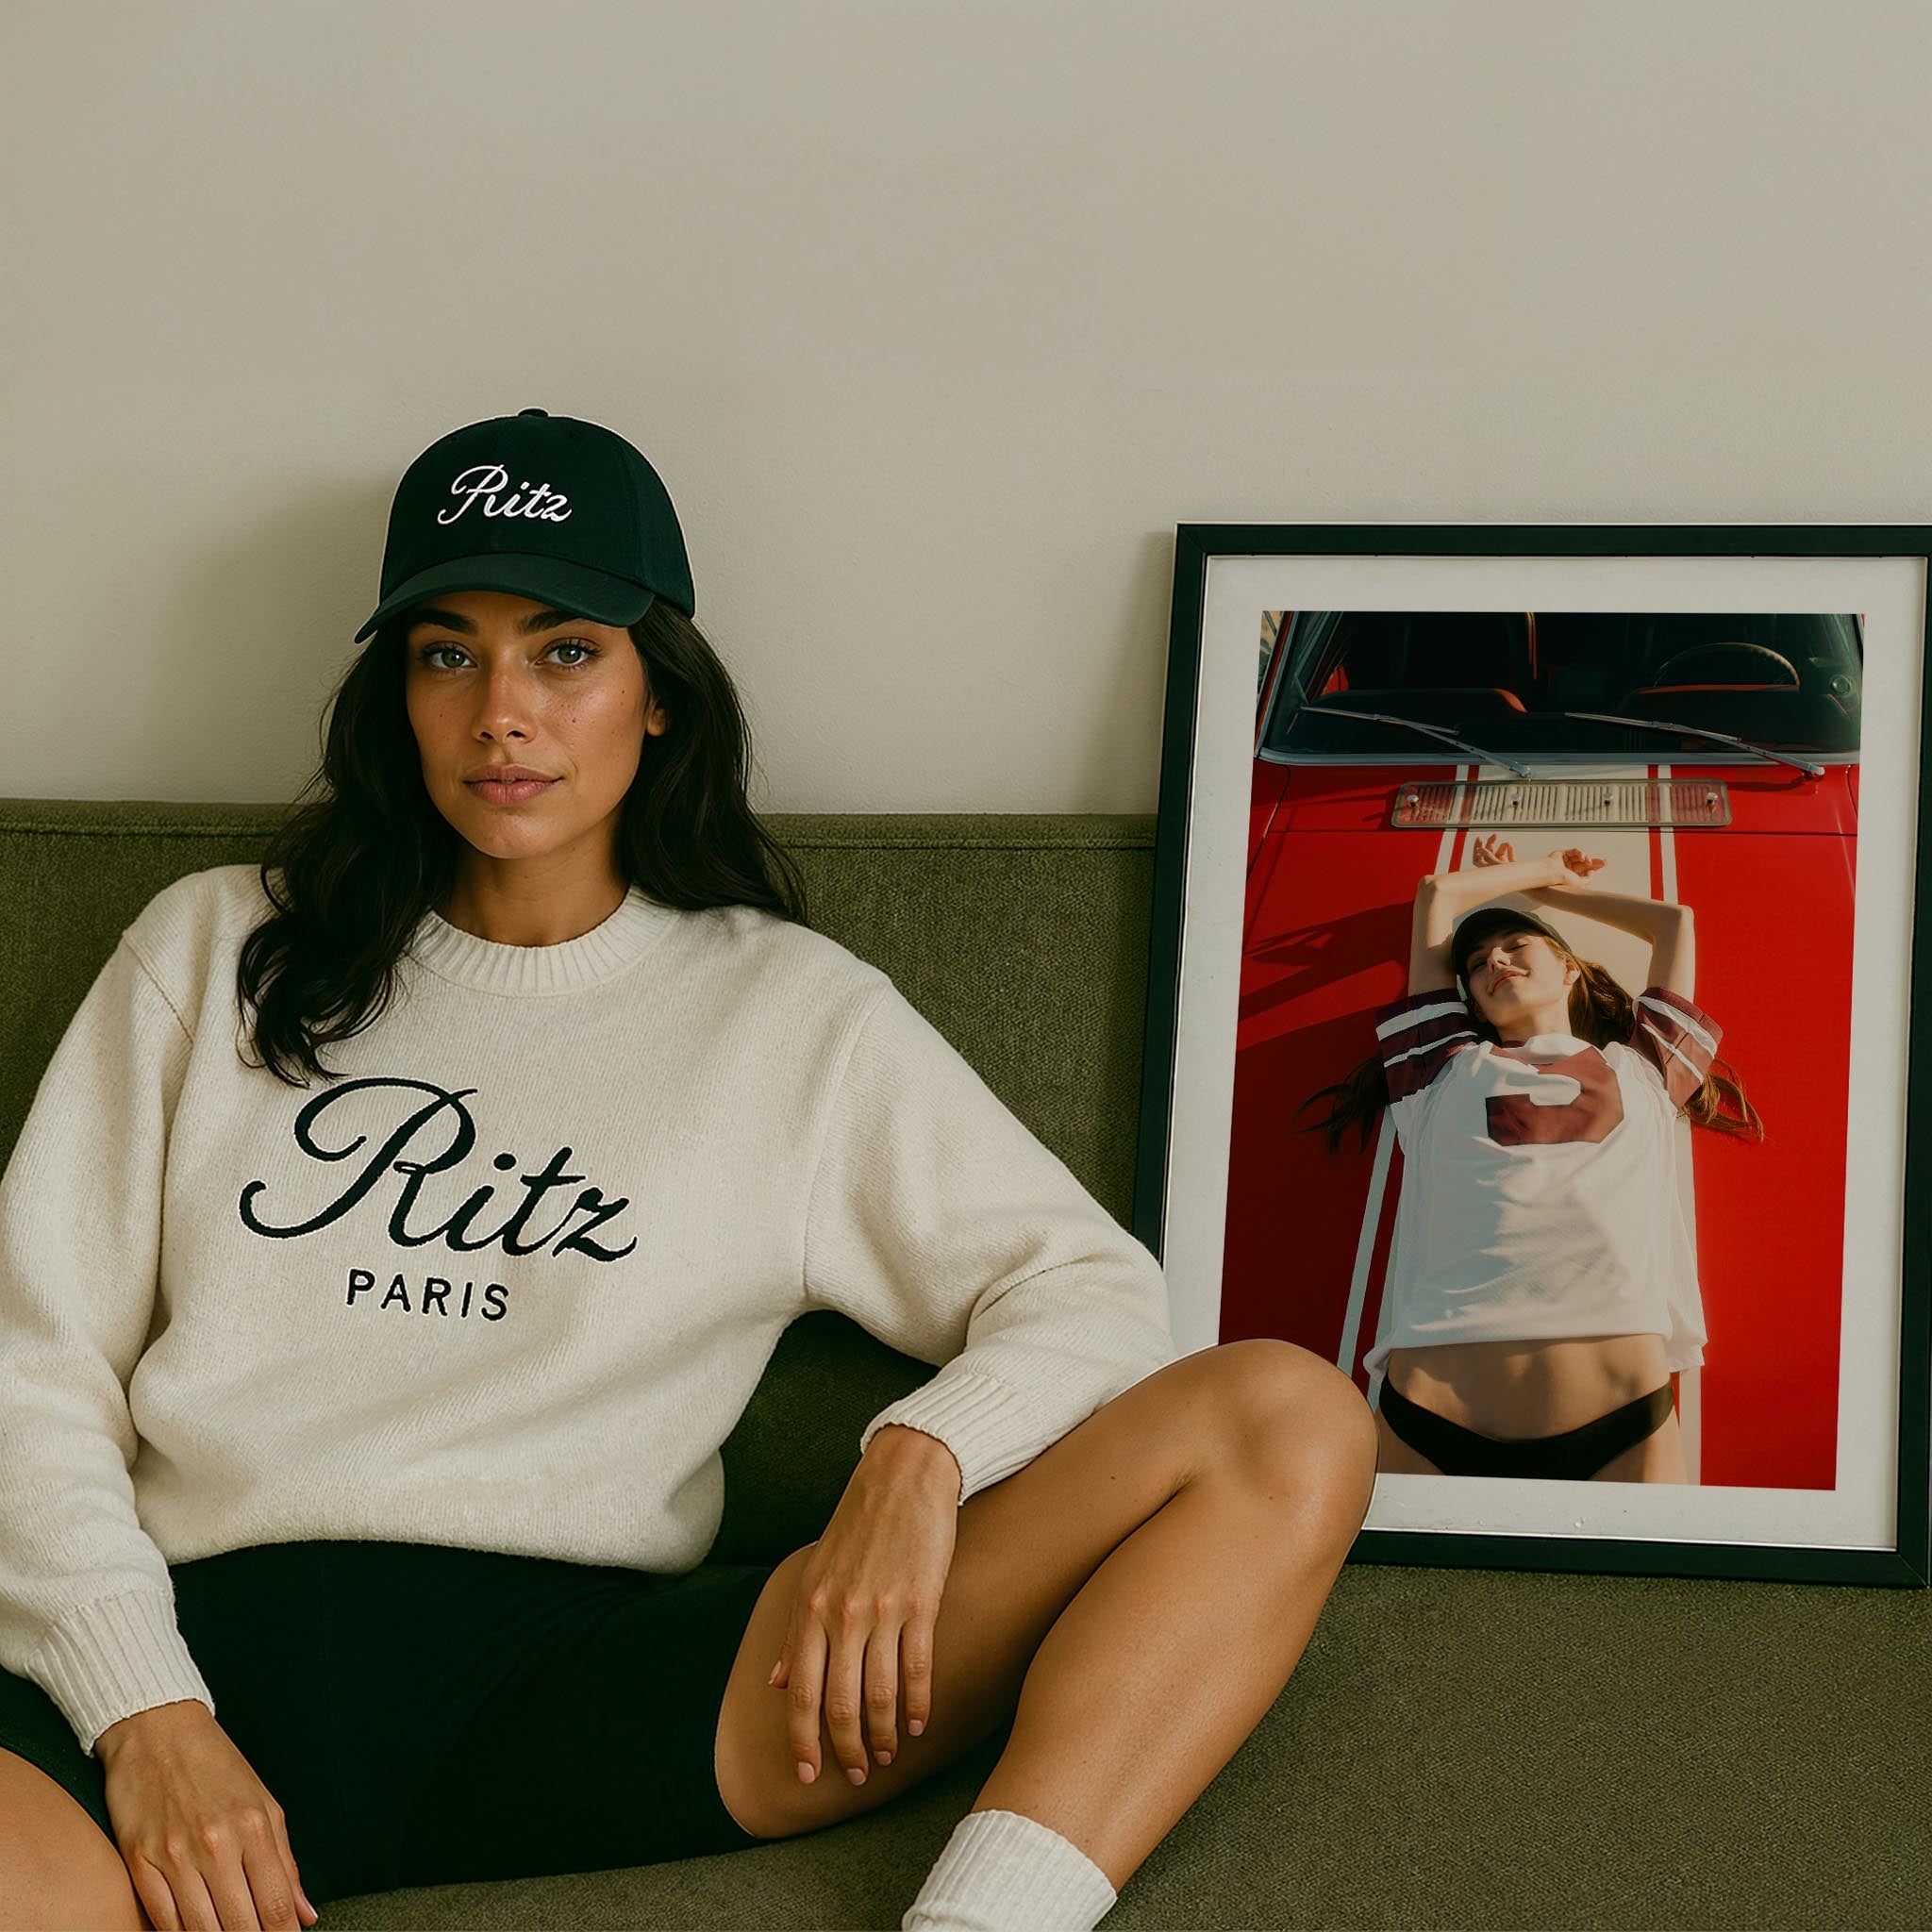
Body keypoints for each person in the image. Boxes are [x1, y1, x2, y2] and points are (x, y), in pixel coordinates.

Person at [0, 408, 1379, 1932]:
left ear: (660, 691)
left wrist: (913, 1462)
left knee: (1283, 1412)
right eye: (446, 653)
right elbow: (28, 1364)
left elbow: (1091, 1288)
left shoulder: (785, 1015)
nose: (500, 712)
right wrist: (146, 1713)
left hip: (586, 1685)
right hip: (187, 1649)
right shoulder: (216, 946)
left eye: (565, 650)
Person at [1298, 832, 1764, 1484]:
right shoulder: (1436, 1072)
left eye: (1517, 947)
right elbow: (1436, 896)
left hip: (1624, 1416)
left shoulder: (1648, 1070)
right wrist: (1535, 870)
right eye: (1480, 964)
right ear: (1469, 999)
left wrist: (1551, 891)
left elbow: (1674, 922)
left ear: (1571, 967)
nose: (1496, 964)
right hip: (1430, 1416)